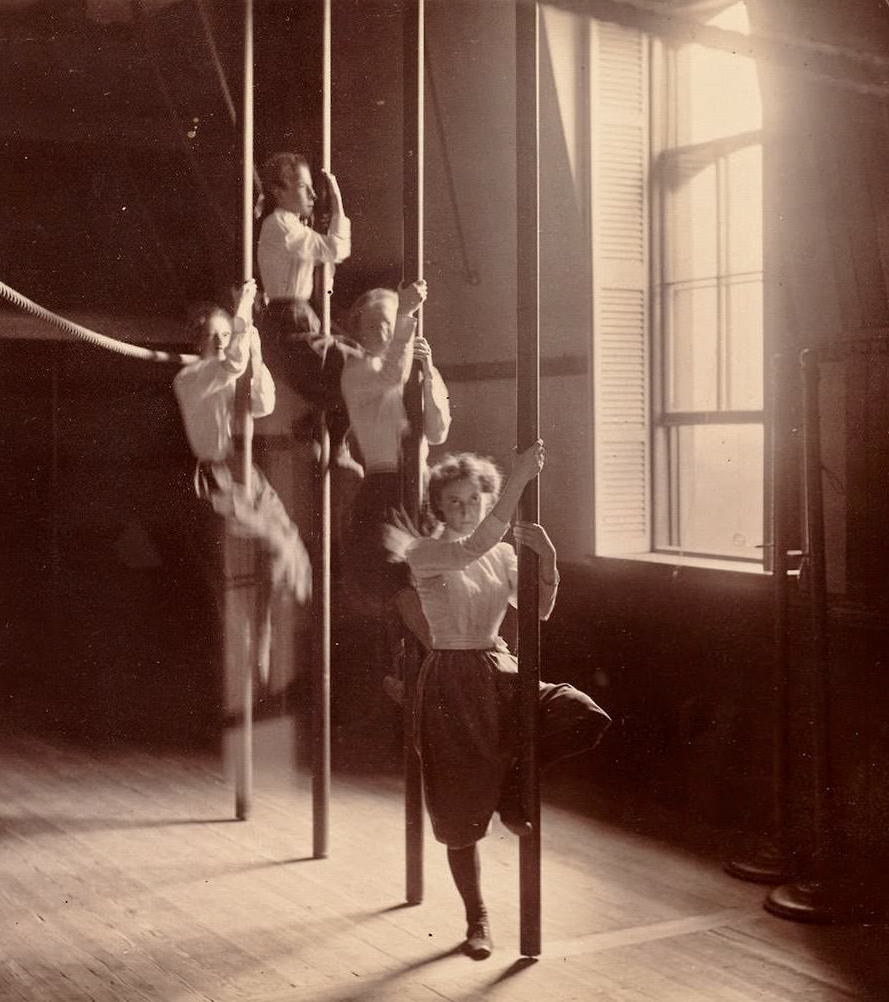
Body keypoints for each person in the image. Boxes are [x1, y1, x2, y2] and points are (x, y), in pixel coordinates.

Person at [391, 444, 611, 960]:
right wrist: (520, 477)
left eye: (474, 498)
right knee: (458, 812)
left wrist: (550, 559)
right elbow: (475, 543)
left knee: (580, 712)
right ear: (439, 507)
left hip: (498, 667)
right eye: (455, 501)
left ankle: (512, 788)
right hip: (449, 680)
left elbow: (538, 612)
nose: (465, 508)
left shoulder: (503, 552)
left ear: (485, 498)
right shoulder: (426, 552)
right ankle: (477, 919)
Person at [172, 278, 311, 605]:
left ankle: (280, 612)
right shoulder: (192, 378)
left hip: (246, 467)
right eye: (212, 336)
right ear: (198, 342)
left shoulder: (230, 376)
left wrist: (256, 350)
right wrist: (244, 307)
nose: (220, 342)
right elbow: (233, 362)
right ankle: (254, 618)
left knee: (290, 540)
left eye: (225, 334)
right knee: (270, 540)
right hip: (218, 474)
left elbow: (264, 404)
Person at [339, 278, 449, 617]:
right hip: (384, 489)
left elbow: (438, 431)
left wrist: (429, 377)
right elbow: (390, 374)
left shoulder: (417, 371)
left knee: (437, 580)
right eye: (375, 326)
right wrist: (405, 313)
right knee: (395, 580)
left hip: (424, 487)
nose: (384, 333)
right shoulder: (357, 370)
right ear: (360, 334)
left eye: (390, 323)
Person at [256, 152, 358, 468]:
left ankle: (315, 431)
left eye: (313, 188)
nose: (313, 195)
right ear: (279, 191)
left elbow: (327, 270)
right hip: (288, 321)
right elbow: (335, 249)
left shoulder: (295, 227)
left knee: (362, 366)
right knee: (356, 371)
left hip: (303, 316)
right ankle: (322, 437)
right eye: (303, 187)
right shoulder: (279, 227)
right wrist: (338, 201)